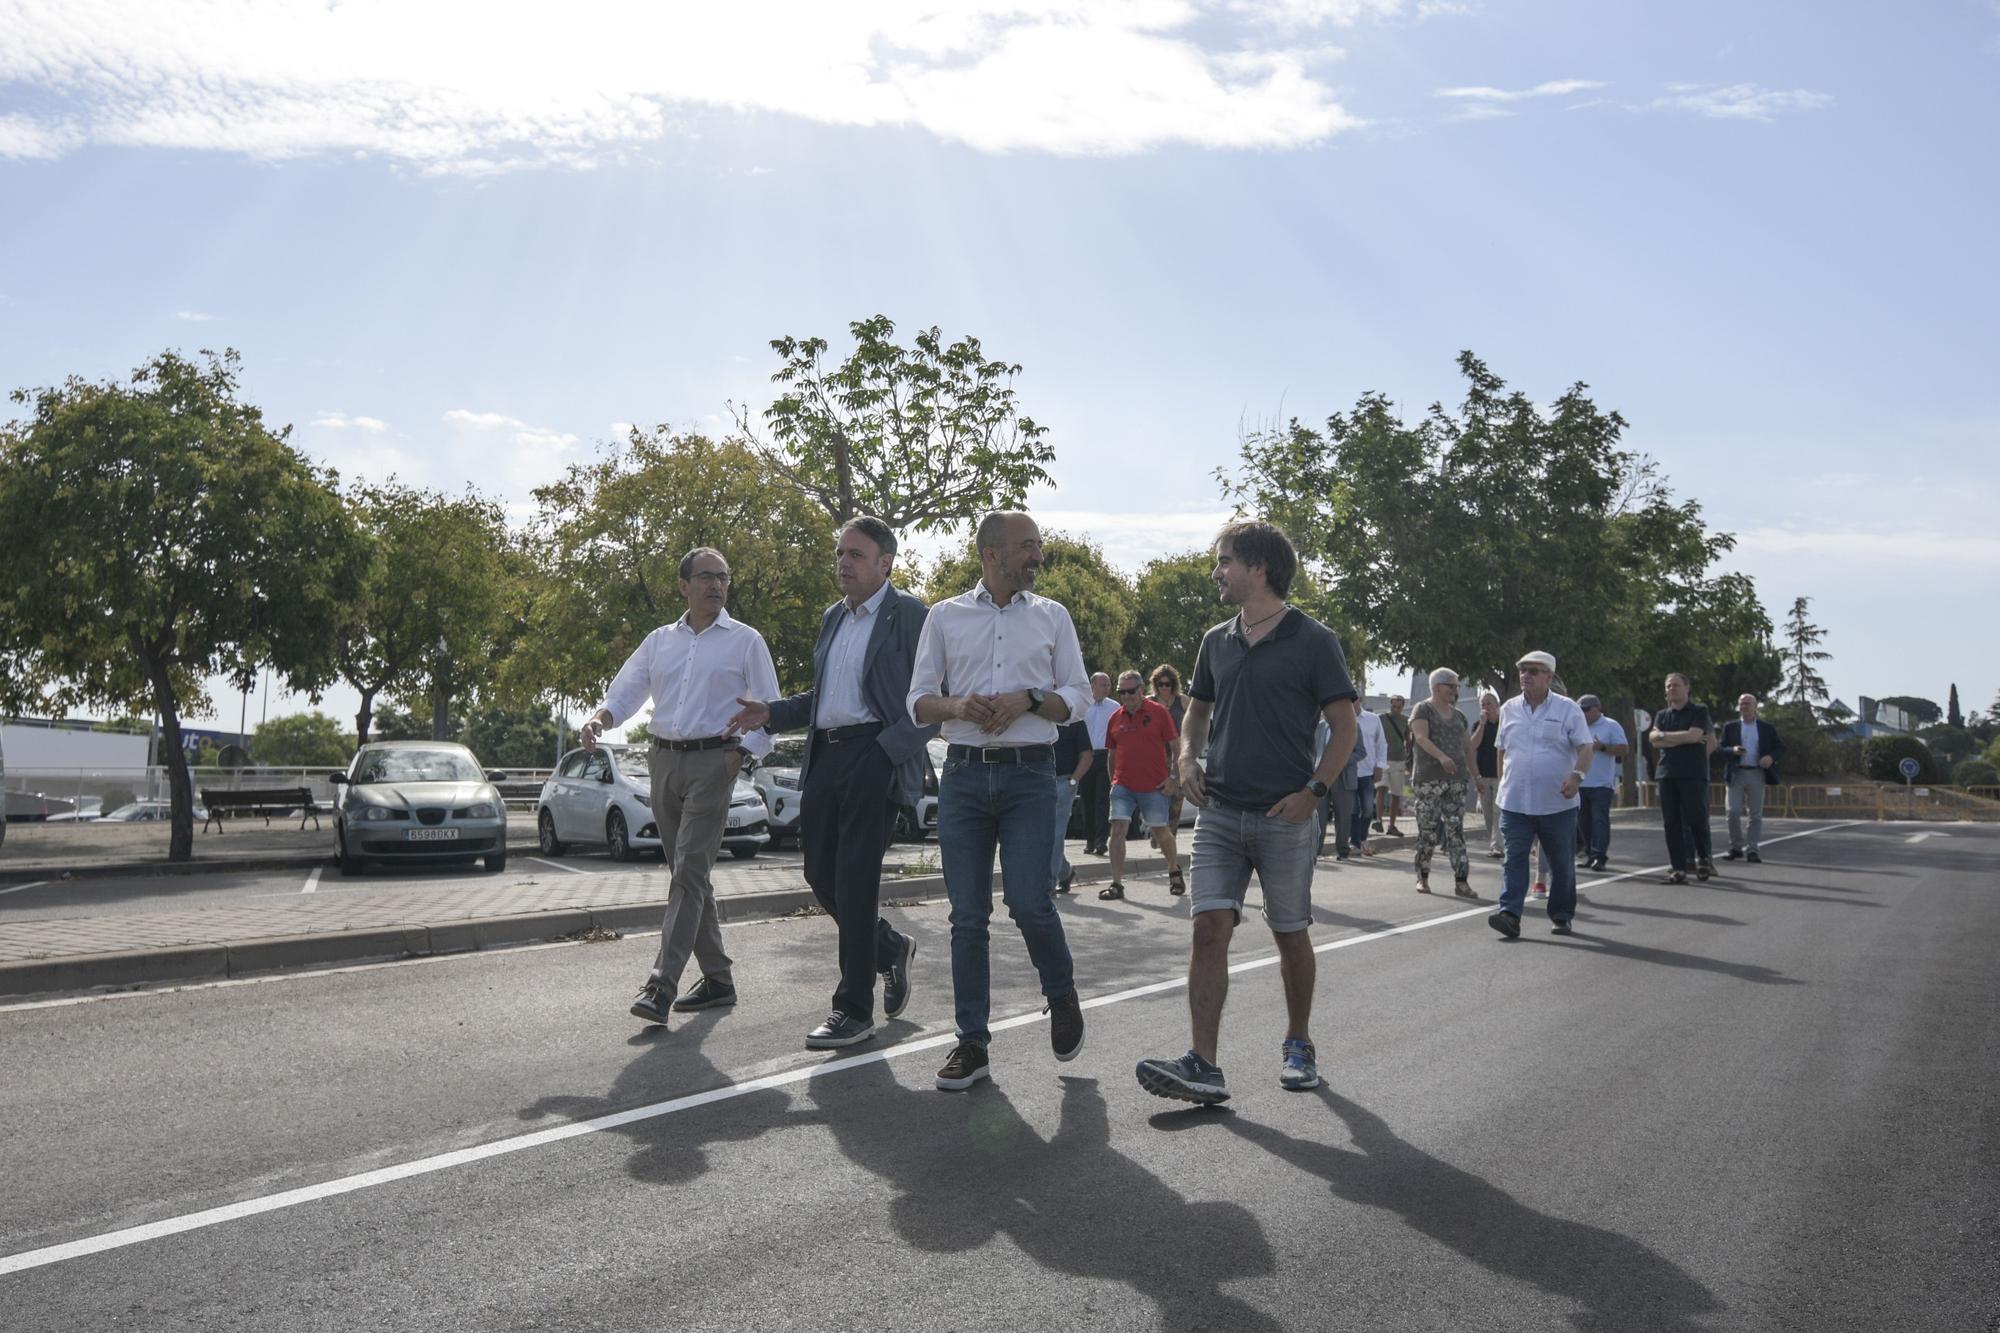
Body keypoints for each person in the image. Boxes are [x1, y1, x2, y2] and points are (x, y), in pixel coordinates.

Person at [1136, 520, 1358, 1106]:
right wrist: (1187, 759)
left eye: (1225, 561)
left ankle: (1298, 1043)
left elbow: (1344, 727)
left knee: (1289, 934)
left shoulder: (1314, 640)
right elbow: (1196, 715)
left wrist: (1314, 791)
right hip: (1221, 812)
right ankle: (1203, 1065)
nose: (1217, 571)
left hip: (1286, 815)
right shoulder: (1215, 641)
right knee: (1208, 928)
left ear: (1259, 568)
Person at [725, 516, 934, 1050]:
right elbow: (824, 698)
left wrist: (887, 752)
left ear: (885, 563)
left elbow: (936, 697)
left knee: (857, 880)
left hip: (875, 753)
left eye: (856, 555)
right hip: (827, 758)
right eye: (840, 553)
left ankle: (853, 1009)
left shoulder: (910, 615)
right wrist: (770, 712)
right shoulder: (832, 618)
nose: (843, 562)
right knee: (820, 874)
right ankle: (889, 949)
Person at [909, 511, 1091, 1092]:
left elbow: (1080, 697)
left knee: (1030, 902)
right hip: (962, 777)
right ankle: (972, 1043)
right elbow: (918, 702)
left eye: (1039, 545)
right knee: (967, 916)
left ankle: (1060, 993)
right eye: (1028, 547)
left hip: (1031, 778)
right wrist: (959, 706)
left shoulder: (1053, 617)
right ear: (992, 554)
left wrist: (1030, 699)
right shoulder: (944, 616)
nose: (1038, 556)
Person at [586, 547, 780, 1026]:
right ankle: (717, 977)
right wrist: (600, 718)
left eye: (724, 577)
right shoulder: (659, 641)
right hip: (663, 762)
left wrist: (743, 754)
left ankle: (661, 984)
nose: (717, 585)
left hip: (715, 762)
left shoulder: (746, 640)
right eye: (707, 577)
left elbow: (771, 708)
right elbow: (626, 690)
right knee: (688, 878)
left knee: (689, 873)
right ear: (683, 586)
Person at [1487, 650, 1595, 940]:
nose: (1526, 675)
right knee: (1514, 858)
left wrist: (1576, 776)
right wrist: (1502, 783)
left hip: (1557, 803)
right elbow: (1502, 749)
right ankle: (1510, 913)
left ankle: (1561, 915)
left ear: (1549, 676)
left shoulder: (1568, 709)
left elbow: (1585, 747)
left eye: (1534, 671)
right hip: (1515, 802)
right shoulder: (1509, 708)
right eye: (1523, 670)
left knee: (1561, 863)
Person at [1100, 669, 1183, 899]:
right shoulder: (1115, 718)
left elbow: (1176, 748)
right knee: (1117, 829)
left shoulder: (1158, 713)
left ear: (1140, 690)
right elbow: (1111, 755)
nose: (1126, 696)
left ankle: (1174, 870)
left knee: (1161, 831)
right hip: (1123, 786)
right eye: (1121, 692)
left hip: (1154, 786)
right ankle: (1116, 884)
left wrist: (1174, 778)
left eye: (1130, 691)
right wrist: (1113, 784)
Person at [1409, 668, 1478, 898]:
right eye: (1452, 686)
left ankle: (1461, 881)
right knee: (1428, 832)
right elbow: (1420, 737)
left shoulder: (1459, 716)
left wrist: (1476, 776)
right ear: (1437, 687)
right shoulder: (1423, 709)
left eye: (1457, 686)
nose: (1455, 691)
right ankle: (1423, 877)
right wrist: (1441, 756)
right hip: (1429, 781)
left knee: (1456, 831)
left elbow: (1467, 747)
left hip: (1456, 782)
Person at [1649, 672, 1716, 884]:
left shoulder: (1699, 711)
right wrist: (1679, 738)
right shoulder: (1661, 715)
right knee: (1672, 822)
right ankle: (1678, 868)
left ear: (1687, 688)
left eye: (1676, 686)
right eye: (1668, 686)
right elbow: (1653, 740)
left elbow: (1695, 735)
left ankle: (1704, 858)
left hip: (1692, 773)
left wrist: (1665, 736)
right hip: (1667, 774)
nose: (1671, 690)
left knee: (1696, 818)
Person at [1720, 694, 1783, 863]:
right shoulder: (1730, 727)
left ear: (1755, 706)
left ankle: (1753, 850)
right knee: (1732, 812)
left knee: (1755, 814)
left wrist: (1770, 757)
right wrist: (1731, 750)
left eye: (1747, 703)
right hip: (1735, 773)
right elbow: (1719, 748)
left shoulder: (1766, 728)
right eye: (1741, 704)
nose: (1744, 707)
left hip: (1756, 773)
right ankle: (1735, 847)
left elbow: (1779, 747)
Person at [1575, 694, 1629, 872]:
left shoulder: (1611, 726)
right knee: (1583, 822)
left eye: (1586, 710)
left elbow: (1624, 749)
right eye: (1580, 710)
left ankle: (1599, 857)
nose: (1583, 714)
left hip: (1601, 784)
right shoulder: (1577, 725)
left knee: (1599, 821)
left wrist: (1603, 747)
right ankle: (1590, 855)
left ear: (1597, 709)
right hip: (1580, 782)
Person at [1050, 717, 1092, 894]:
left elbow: (1087, 755)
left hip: (1062, 783)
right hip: (1037, 782)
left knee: (1055, 835)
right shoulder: (1040, 718)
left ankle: (1047, 885)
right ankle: (1065, 872)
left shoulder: (1075, 722)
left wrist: (1073, 781)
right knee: (1043, 836)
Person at [1150, 664, 1189, 853]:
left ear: (1174, 684)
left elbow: (1195, 725)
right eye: (1161, 684)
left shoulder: (1182, 702)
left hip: (1178, 755)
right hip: (1155, 757)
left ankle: (1169, 840)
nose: (1164, 687)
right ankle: (1158, 836)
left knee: (1175, 802)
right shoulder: (1148, 702)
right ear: (1155, 685)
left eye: (1168, 684)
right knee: (1155, 799)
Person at [1079, 673, 1118, 855]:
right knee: (1087, 800)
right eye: (1103, 684)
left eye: (1108, 685)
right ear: (1092, 686)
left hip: (1105, 755)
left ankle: (1101, 841)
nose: (1106, 688)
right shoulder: (1083, 705)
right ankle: (1089, 840)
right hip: (1086, 756)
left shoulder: (1114, 707)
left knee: (1102, 800)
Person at [1351, 701, 1385, 857]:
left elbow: (1381, 744)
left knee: (1367, 809)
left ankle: (1362, 838)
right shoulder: (1342, 718)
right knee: (1352, 810)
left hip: (1368, 772)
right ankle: (1355, 843)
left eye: (1354, 698)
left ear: (1360, 700)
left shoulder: (1373, 719)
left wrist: (1380, 766)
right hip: (1348, 772)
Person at [1471, 691, 1502, 858]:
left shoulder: (1504, 724)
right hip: (1483, 776)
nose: (1486, 707)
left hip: (1500, 776)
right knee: (1488, 814)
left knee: (1498, 812)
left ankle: (1498, 846)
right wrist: (1482, 725)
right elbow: (1472, 746)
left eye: (1489, 704)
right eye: (1483, 704)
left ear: (1496, 706)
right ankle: (1494, 843)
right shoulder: (1478, 725)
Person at [1376, 695, 1411, 836]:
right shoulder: (1381, 718)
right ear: (1390, 705)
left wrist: (1409, 761)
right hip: (1382, 760)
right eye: (1393, 706)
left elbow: (1409, 741)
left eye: (1398, 707)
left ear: (1402, 707)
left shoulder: (1406, 720)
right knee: (1381, 789)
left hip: (1399, 760)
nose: (1395, 709)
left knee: (1396, 793)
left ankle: (1392, 825)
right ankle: (1378, 821)